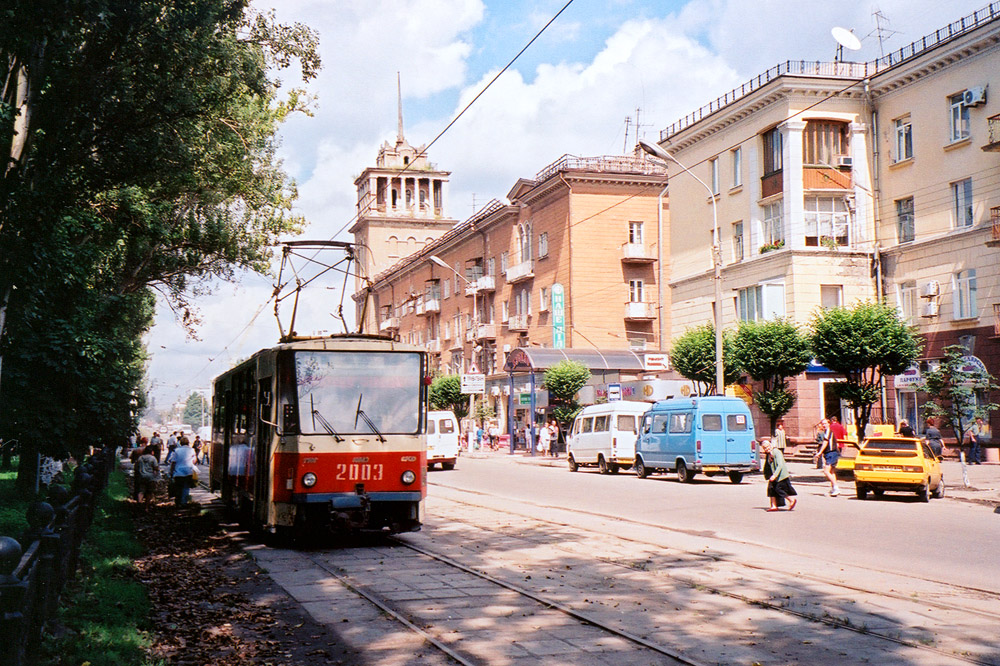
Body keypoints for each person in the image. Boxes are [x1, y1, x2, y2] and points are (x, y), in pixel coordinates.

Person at [761, 439, 797, 511]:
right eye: (764, 448)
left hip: (780, 475)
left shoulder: (777, 452)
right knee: (771, 489)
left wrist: (775, 475)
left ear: (770, 445)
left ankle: (791, 500)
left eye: (767, 447)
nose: (766, 449)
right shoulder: (769, 454)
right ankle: (774, 506)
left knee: (779, 489)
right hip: (773, 475)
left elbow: (780, 465)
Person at [814, 418, 840, 496]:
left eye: (825, 423)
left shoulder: (828, 431)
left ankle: (836, 488)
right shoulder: (826, 431)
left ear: (829, 424)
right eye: (823, 424)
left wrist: (819, 452)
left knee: (826, 471)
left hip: (831, 453)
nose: (824, 425)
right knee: (831, 472)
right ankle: (833, 489)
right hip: (831, 453)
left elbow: (825, 443)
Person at [169, 436, 197, 507]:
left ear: (180, 443)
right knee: (186, 487)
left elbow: (173, 462)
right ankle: (184, 502)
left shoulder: (176, 450)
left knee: (178, 487)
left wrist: (171, 472)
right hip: (188, 472)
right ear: (188, 443)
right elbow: (194, 461)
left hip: (178, 472)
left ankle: (178, 502)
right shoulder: (192, 450)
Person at [135, 444, 160, 511]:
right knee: (149, 492)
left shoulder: (140, 458)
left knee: (141, 491)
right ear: (151, 451)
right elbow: (156, 467)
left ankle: (139, 502)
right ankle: (146, 507)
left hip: (141, 476)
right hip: (150, 477)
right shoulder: (153, 458)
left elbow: (136, 467)